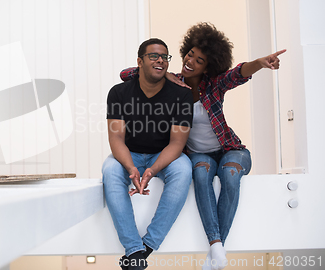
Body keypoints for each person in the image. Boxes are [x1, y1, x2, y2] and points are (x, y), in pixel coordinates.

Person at [120, 23, 285, 270]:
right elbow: (126, 74)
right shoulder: (171, 83)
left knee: (230, 175)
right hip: (199, 154)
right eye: (190, 55)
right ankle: (216, 246)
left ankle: (215, 247)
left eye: (199, 60)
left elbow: (238, 73)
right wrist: (166, 74)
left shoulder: (215, 84)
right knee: (200, 173)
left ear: (208, 66)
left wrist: (260, 63)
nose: (191, 61)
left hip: (230, 150)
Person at [103, 38, 194, 270]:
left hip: (161, 155)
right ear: (139, 62)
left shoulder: (182, 96)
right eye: (153, 56)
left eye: (164, 57)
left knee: (184, 168)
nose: (160, 60)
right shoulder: (118, 93)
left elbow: (177, 143)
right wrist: (131, 168)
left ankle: (149, 245)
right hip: (129, 153)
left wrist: (152, 170)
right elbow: (116, 139)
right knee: (111, 169)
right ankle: (133, 250)